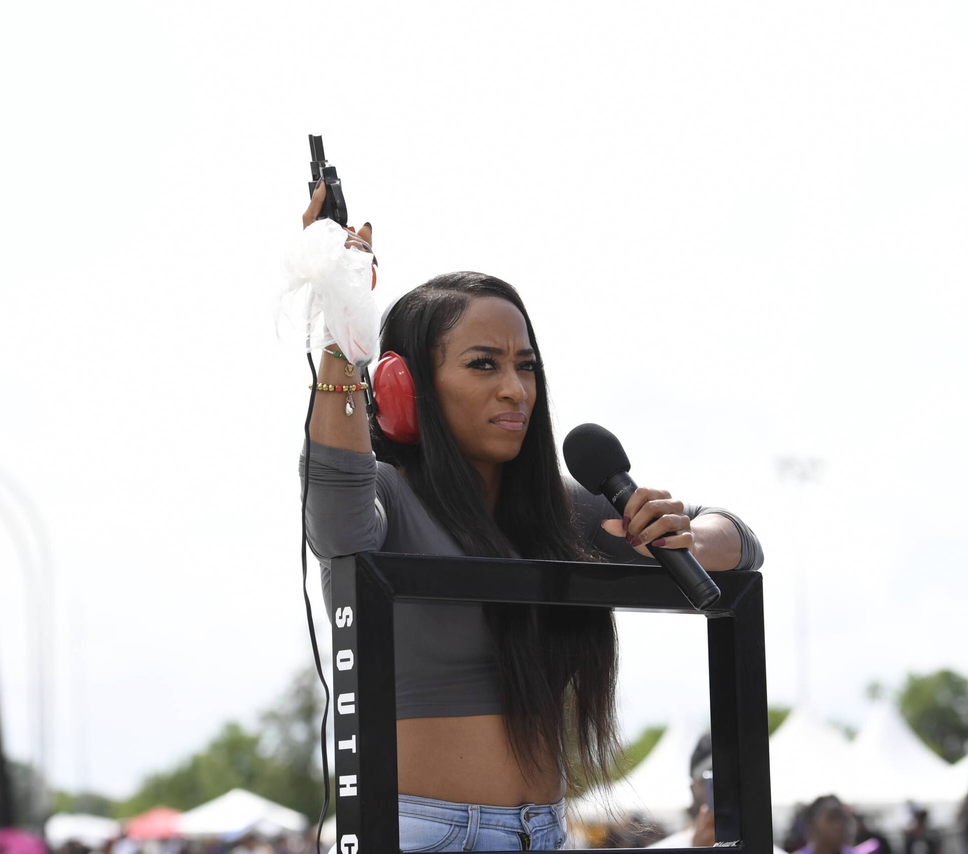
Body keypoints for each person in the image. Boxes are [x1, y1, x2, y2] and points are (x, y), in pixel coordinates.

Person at [299, 183, 764, 852]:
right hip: (418, 834)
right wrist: (342, 319)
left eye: (525, 366)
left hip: (543, 833)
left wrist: (689, 535)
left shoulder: (562, 510)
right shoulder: (388, 496)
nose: (514, 389)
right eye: (483, 365)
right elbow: (338, 523)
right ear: (403, 384)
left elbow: (742, 544)